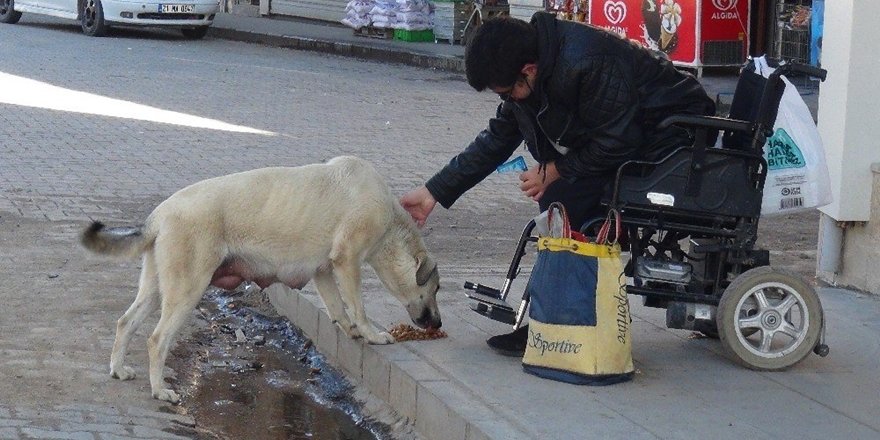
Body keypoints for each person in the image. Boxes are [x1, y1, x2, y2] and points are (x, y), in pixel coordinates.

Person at [400, 12, 715, 357]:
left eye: (508, 92)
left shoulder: (588, 61)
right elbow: (496, 139)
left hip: (672, 137)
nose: (509, 100)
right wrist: (434, 191)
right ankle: (556, 314)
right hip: (627, 133)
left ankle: (557, 320)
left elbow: (619, 141)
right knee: (560, 198)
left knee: (567, 200)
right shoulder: (528, 77)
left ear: (529, 71)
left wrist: (555, 170)